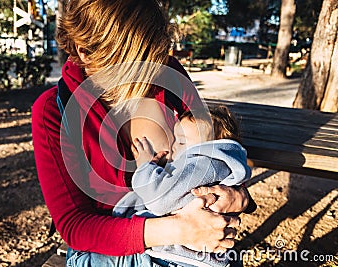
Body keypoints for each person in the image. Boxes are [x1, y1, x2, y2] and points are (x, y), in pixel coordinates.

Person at [32, 0, 252, 266]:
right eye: (135, 61)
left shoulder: (167, 74)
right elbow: (75, 226)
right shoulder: (53, 111)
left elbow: (208, 149)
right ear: (86, 52)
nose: (150, 72)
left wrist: (235, 195)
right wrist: (179, 229)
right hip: (111, 254)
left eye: (154, 57)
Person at [112, 105, 253, 267]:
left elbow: (158, 199)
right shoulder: (220, 164)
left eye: (181, 141)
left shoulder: (202, 165)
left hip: (178, 258)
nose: (173, 146)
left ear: (208, 146)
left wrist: (144, 166)